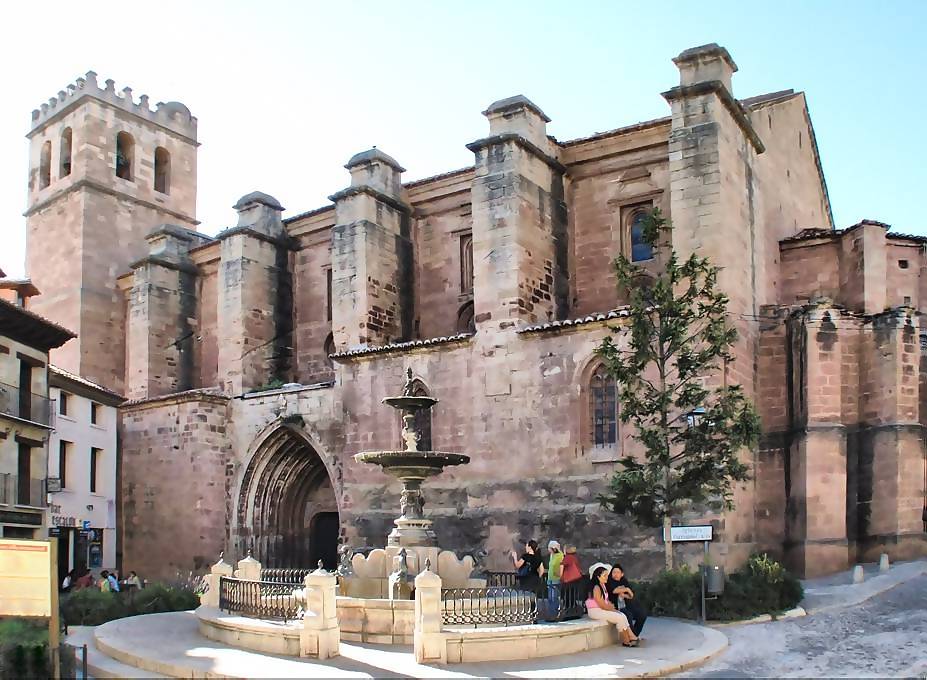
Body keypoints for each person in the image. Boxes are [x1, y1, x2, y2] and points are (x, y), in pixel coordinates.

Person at [586, 566, 638, 647]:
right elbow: (601, 604)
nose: (607, 577)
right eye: (605, 575)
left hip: (601, 610)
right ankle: (626, 640)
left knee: (623, 615)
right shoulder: (596, 587)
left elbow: (606, 601)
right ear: (598, 577)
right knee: (619, 617)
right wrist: (612, 610)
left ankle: (631, 636)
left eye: (607, 575)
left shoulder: (603, 586)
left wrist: (612, 608)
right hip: (595, 611)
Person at [607, 563, 648, 638]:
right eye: (613, 572)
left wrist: (625, 594)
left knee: (642, 615)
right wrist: (626, 589)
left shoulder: (624, 581)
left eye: (617, 572)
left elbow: (631, 595)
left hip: (627, 604)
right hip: (616, 606)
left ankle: (635, 635)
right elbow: (614, 591)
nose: (615, 574)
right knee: (628, 615)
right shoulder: (610, 581)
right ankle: (631, 637)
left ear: (622, 574)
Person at [546, 540, 564, 618]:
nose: (548, 549)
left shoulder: (560, 555)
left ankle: (554, 614)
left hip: (556, 579)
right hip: (550, 579)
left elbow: (561, 566)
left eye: (549, 548)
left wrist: (558, 574)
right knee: (550, 598)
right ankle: (551, 613)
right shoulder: (551, 555)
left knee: (554, 597)